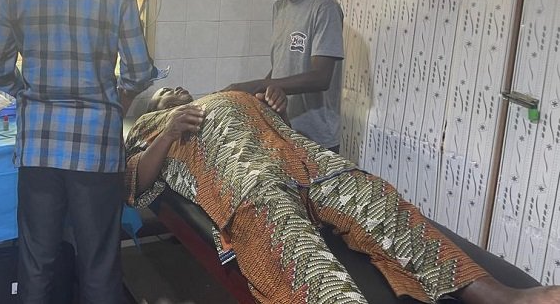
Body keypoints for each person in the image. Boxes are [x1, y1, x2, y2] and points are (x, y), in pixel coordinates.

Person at [124, 87, 560, 304]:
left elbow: (284, 133)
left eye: (179, 89)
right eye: (166, 95)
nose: (178, 93)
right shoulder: (151, 129)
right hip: (247, 183)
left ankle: (505, 296)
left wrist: (277, 111)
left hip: (310, 165)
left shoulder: (222, 95)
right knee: (297, 251)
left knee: (379, 200)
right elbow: (136, 186)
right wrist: (168, 131)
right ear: (152, 109)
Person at [0, 0, 161, 303]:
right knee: (98, 260)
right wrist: (110, 98)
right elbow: (137, 72)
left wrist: (29, 90)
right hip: (96, 150)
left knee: (36, 258)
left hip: (38, 147)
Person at [226, 0, 344, 153]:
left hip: (316, 137)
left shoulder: (324, 8)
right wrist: (257, 95)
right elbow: (283, 65)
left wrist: (257, 84)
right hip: (284, 128)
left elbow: (321, 77)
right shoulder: (280, 7)